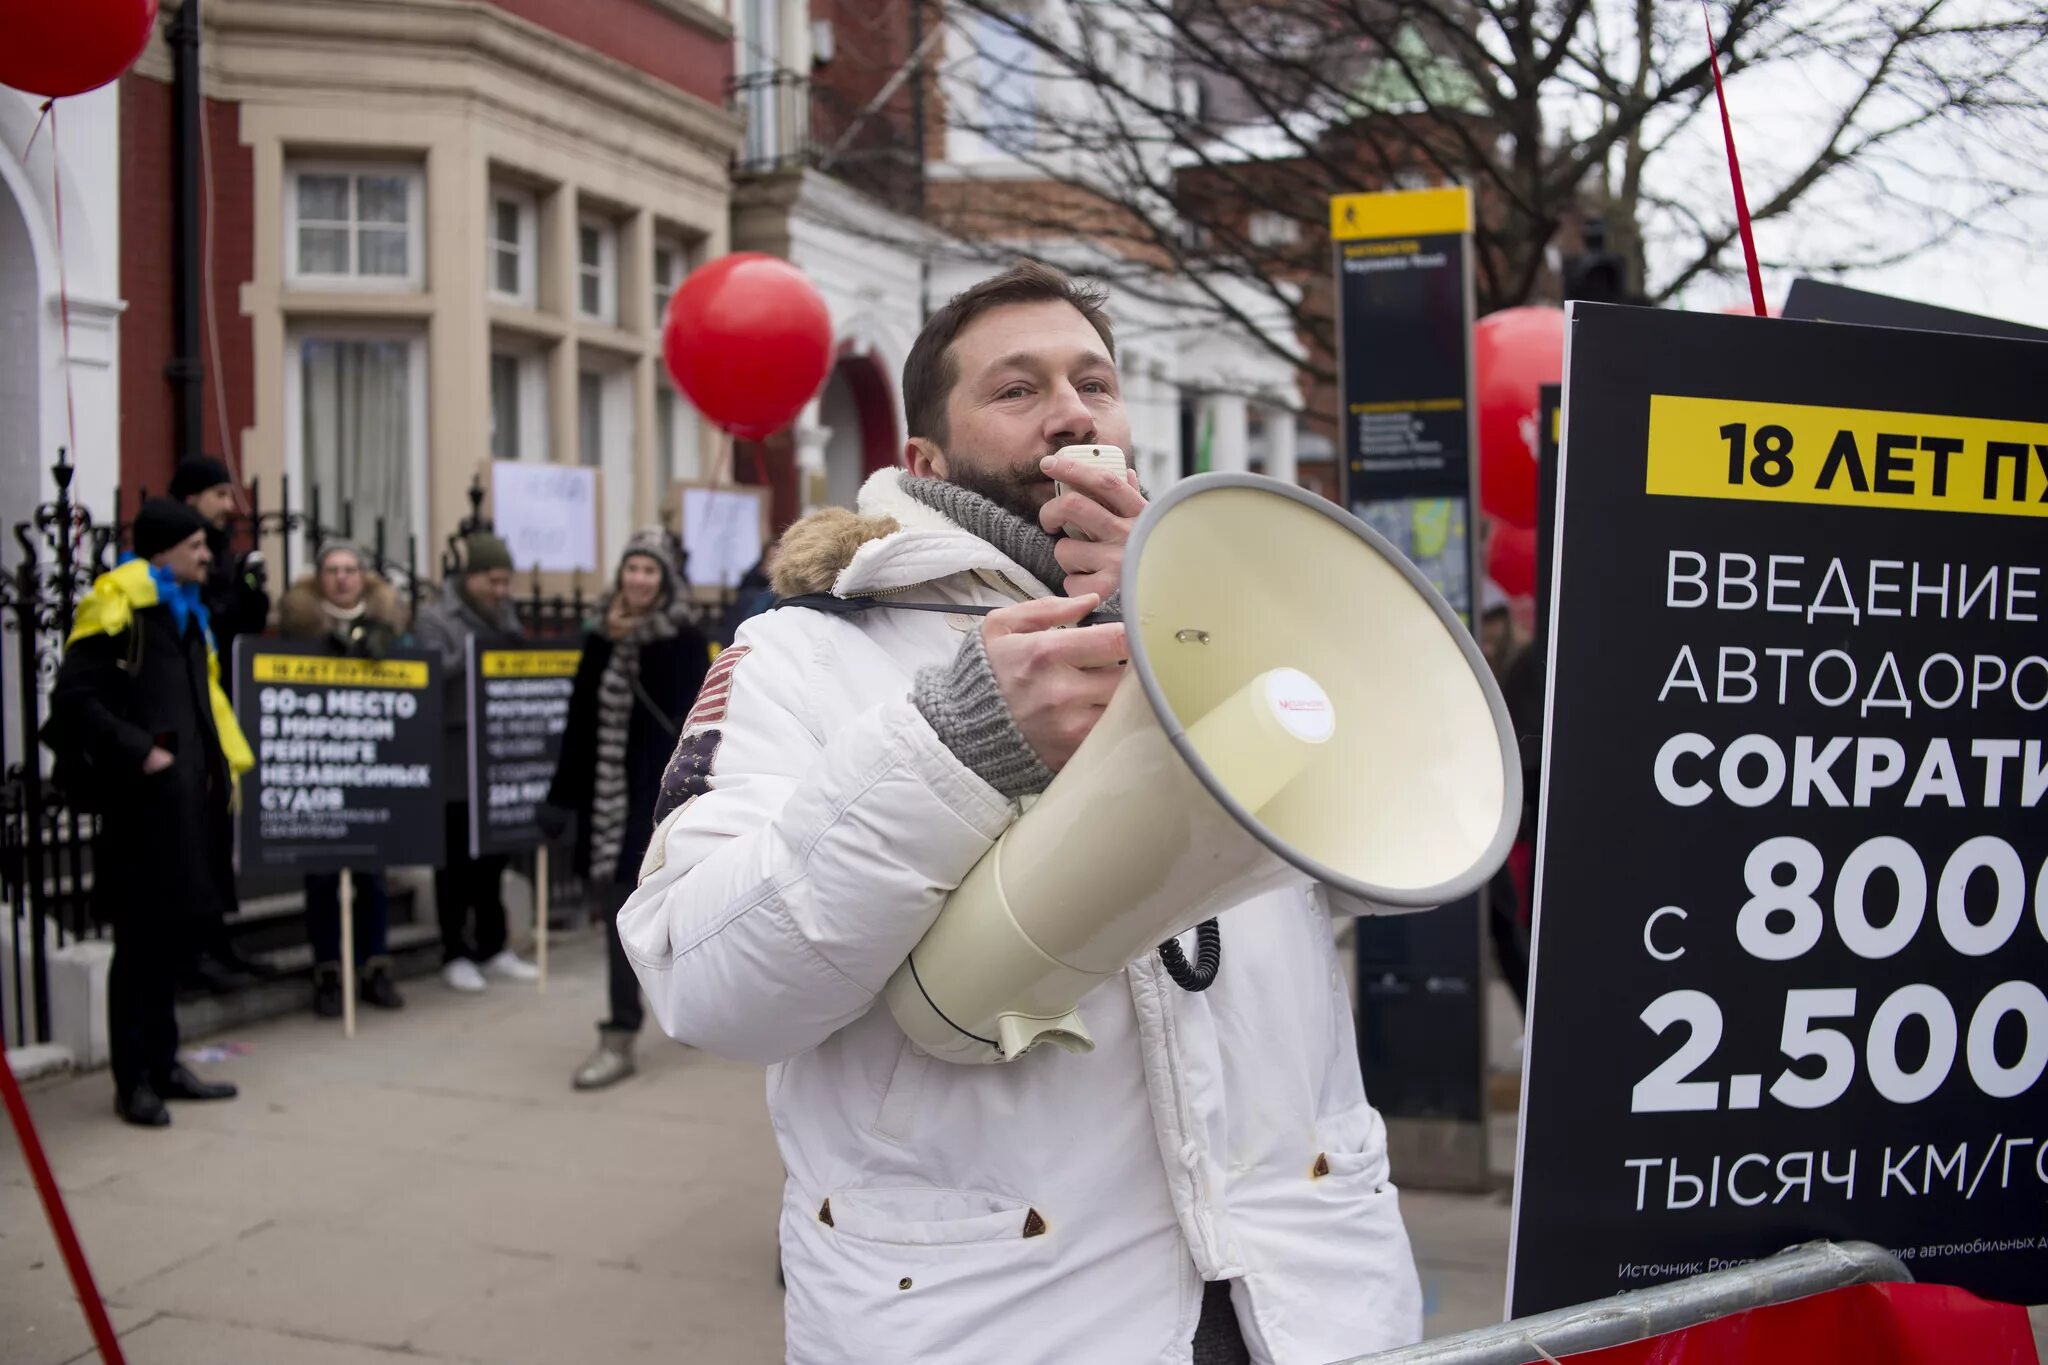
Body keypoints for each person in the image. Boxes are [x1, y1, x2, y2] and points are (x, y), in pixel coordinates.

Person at [619, 262, 1422, 1363]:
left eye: (1093, 379)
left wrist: (1209, 629)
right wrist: (954, 745)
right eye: (1017, 389)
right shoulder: (799, 653)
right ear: (921, 460)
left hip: (1301, 1300)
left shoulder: (1226, 615)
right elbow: (708, 988)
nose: (1072, 411)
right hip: (987, 1317)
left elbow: (1403, 845)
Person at [47, 500, 252, 1127]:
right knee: (137, 947)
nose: (206, 555)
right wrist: (142, 755)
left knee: (171, 945)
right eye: (195, 545)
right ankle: (131, 1080)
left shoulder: (187, 615)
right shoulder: (121, 608)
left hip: (189, 811)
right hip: (141, 812)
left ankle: (164, 1064)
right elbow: (72, 701)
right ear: (162, 552)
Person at [539, 530, 710, 1089]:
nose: (638, 579)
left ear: (664, 581)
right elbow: (578, 726)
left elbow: (700, 723)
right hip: (612, 805)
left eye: (649, 571)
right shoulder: (600, 636)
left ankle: (698, 1009)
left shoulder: (682, 639)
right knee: (619, 916)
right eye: (631, 568)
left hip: (665, 801)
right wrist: (560, 798)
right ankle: (618, 1036)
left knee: (683, 914)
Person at [277, 540, 410, 1017]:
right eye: (332, 570)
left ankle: (375, 966)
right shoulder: (297, 628)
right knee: (321, 879)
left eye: (350, 569)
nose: (341, 578)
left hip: (371, 769)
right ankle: (328, 971)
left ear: (363, 576)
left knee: (373, 879)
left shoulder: (390, 625)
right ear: (319, 578)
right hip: (322, 768)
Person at [413, 530, 540, 992]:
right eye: (493, 580)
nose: (501, 591)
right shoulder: (435, 618)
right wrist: (472, 652)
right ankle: (455, 950)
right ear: (470, 578)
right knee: (454, 861)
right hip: (452, 752)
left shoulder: (504, 615)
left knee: (493, 855)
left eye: (506, 581)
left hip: (495, 752)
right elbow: (428, 674)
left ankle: (494, 946)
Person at [169, 456, 271, 682]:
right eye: (220, 494)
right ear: (191, 498)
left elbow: (245, 630)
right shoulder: (171, 554)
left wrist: (252, 592)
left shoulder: (224, 552)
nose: (229, 505)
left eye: (230, 495)